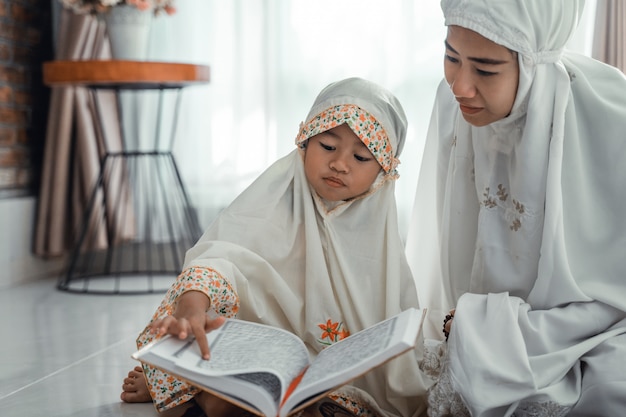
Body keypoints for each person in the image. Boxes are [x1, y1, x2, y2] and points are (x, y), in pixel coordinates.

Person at [121, 77, 430, 417]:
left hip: (324, 366)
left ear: (384, 174)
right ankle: (210, 391)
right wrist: (193, 303)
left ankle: (219, 401)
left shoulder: (379, 244)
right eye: (328, 146)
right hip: (258, 348)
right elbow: (221, 258)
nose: (340, 164)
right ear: (304, 142)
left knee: (337, 400)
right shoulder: (274, 201)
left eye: (360, 156)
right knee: (196, 297)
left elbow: (388, 330)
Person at [406, 0, 626, 416]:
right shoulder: (452, 103)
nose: (460, 86)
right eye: (451, 57)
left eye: (485, 69)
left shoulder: (609, 116)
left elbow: (614, 297)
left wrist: (489, 330)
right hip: (472, 323)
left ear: (533, 64)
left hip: (591, 332)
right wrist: (473, 326)